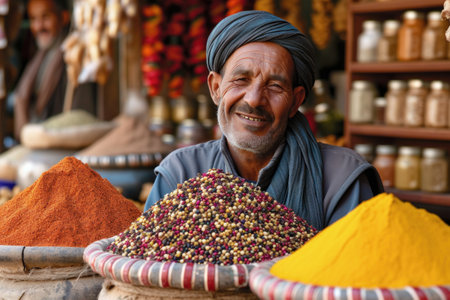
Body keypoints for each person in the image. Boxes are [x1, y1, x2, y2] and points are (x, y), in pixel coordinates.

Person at [144, 10, 384, 230]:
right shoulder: (180, 173)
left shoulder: (342, 178)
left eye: (275, 86)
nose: (255, 99)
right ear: (216, 88)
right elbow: (147, 263)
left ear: (295, 101)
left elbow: (350, 272)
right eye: (241, 80)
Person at [12, 0, 97, 142]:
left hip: (65, 141)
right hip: (40, 139)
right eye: (34, 19)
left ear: (63, 17)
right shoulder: (38, 59)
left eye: (45, 17)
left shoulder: (74, 58)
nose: (39, 26)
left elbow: (80, 117)